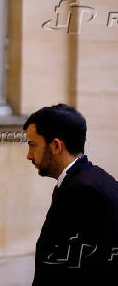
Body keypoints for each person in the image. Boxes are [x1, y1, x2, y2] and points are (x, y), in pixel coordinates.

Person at [24, 104, 118, 286]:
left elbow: (81, 271)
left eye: (33, 145)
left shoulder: (84, 191)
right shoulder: (95, 179)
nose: (29, 155)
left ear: (56, 145)